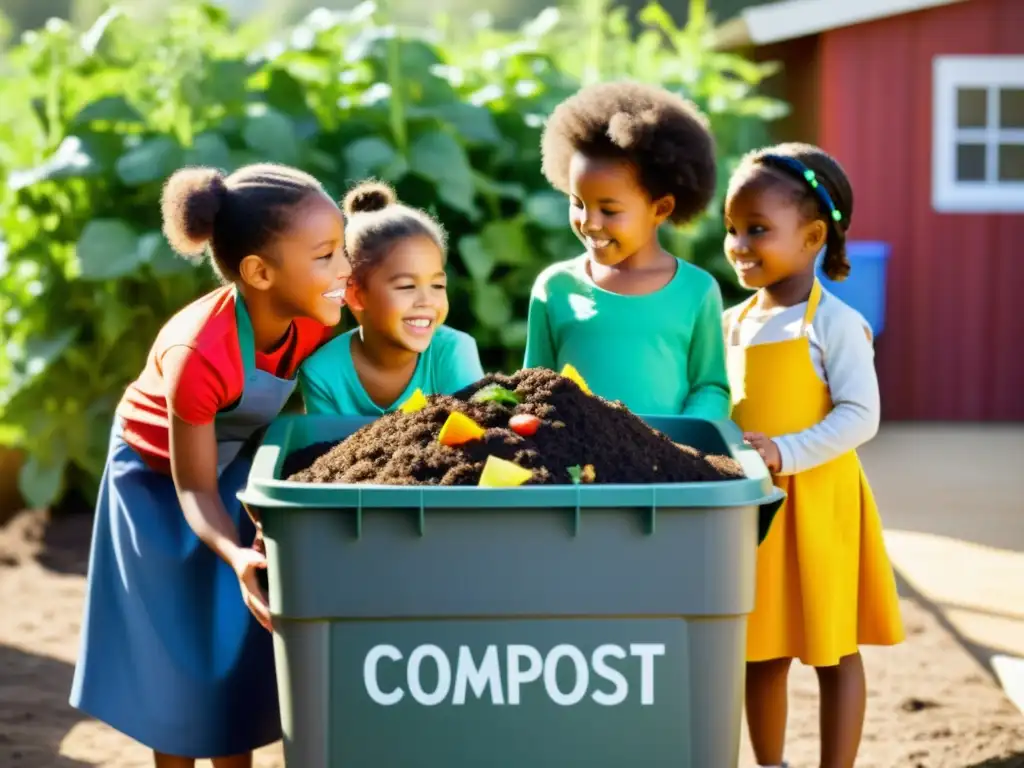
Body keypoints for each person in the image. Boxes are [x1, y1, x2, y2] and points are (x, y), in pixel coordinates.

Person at [70, 163, 352, 767]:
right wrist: (235, 553)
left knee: (233, 645)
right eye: (328, 255)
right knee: (174, 648)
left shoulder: (313, 315)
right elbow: (192, 487)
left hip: (236, 457)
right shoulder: (199, 352)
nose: (345, 270)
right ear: (259, 272)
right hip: (154, 478)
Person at [721, 142, 904, 768]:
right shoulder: (732, 323)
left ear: (813, 236)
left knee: (832, 649)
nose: (740, 244)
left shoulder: (836, 324)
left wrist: (787, 451)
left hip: (822, 505)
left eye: (758, 230)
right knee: (760, 648)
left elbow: (861, 415)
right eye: (732, 229)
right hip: (759, 511)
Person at [522, 80, 730, 418]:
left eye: (609, 210)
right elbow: (532, 386)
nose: (589, 222)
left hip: (666, 465)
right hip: (575, 465)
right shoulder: (554, 288)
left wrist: (683, 436)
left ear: (660, 209)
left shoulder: (698, 290)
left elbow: (711, 386)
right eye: (578, 203)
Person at [299, 180, 484, 415]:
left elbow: (475, 435)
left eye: (437, 285)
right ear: (355, 295)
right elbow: (325, 449)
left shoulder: (453, 352)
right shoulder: (322, 372)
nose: (427, 301)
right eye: (407, 286)